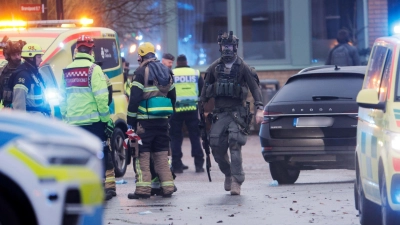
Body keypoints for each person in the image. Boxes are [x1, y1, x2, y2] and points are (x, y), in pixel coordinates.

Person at [200, 31, 264, 195]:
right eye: (224, 46)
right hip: (220, 113)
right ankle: (228, 173)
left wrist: (259, 108)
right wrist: (200, 109)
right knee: (216, 147)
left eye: (230, 46)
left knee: (235, 145)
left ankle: (236, 180)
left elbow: (255, 88)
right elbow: (204, 91)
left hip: (237, 113)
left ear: (235, 47)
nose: (227, 49)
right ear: (220, 47)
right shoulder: (214, 67)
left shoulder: (243, 67)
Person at [59, 35, 117, 201]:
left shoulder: (67, 70)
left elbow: (62, 99)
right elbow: (101, 98)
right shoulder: (94, 70)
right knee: (101, 153)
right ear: (91, 50)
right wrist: (107, 121)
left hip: (73, 123)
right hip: (94, 123)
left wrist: (66, 118)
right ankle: (100, 188)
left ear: (76, 50)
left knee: (79, 156)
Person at [127, 42, 176, 199]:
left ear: (141, 56)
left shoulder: (141, 72)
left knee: (142, 156)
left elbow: (134, 99)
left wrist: (130, 123)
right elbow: (173, 97)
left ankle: (143, 190)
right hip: (162, 121)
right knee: (161, 156)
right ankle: (168, 187)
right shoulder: (166, 71)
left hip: (144, 123)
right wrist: (168, 116)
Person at [170, 54, 204, 173]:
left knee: (175, 137)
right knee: (195, 136)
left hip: (176, 109)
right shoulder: (195, 73)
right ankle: (199, 164)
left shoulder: (172, 73)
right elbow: (202, 90)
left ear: (177, 63)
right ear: (186, 62)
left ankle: (177, 165)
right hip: (192, 108)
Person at [8, 43, 51, 115]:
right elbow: (19, 106)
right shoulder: (23, 76)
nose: (41, 60)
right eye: (39, 57)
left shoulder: (35, 74)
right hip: (32, 121)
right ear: (31, 57)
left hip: (40, 119)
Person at [0, 37, 26, 108]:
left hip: (24, 109)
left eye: (19, 54)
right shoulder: (2, 72)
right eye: (14, 55)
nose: (17, 57)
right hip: (8, 109)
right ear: (8, 56)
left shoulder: (27, 69)